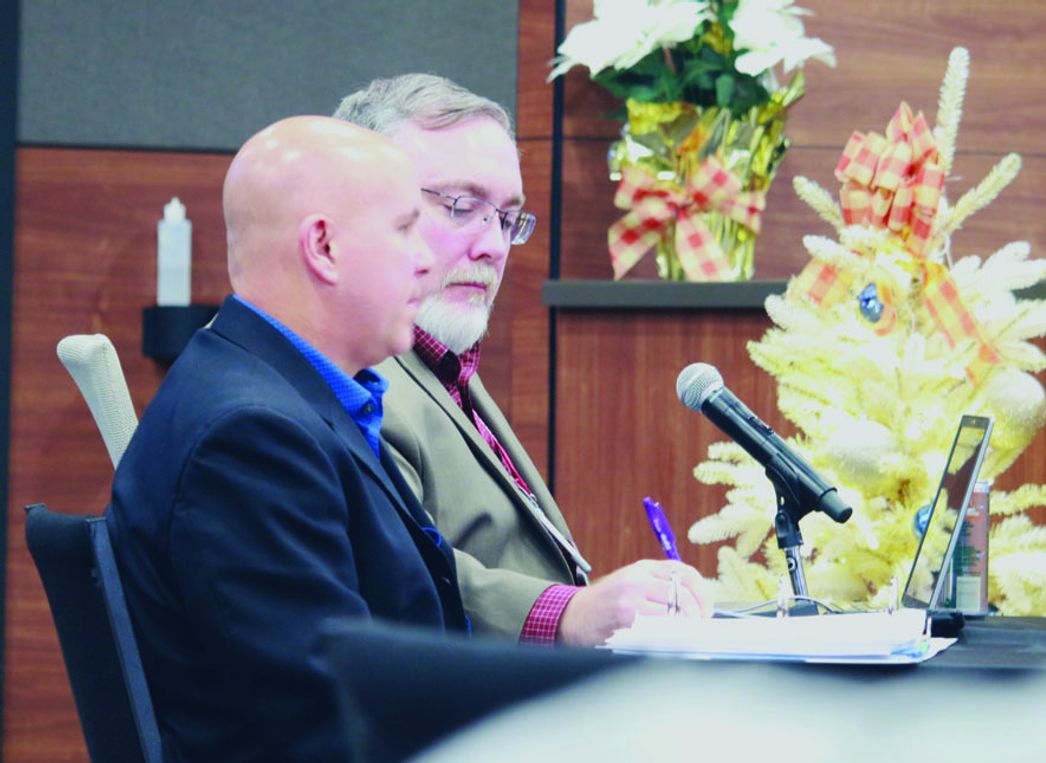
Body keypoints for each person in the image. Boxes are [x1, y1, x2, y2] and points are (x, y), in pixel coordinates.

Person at [106, 115, 467, 762]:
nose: (427, 259)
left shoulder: (276, 395)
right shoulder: (250, 438)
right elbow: (331, 726)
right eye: (405, 227)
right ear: (323, 246)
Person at [333, 75, 713, 647]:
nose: (493, 245)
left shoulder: (444, 359)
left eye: (507, 218)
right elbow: (391, 571)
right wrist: (570, 614)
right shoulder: (348, 368)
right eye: (461, 207)